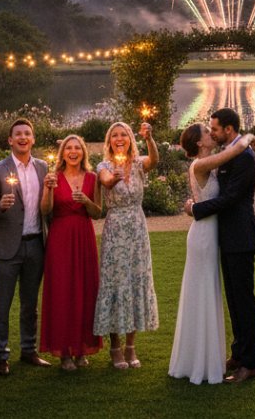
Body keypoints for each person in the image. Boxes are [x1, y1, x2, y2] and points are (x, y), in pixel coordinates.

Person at [169, 124, 255, 385]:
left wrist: (194, 206)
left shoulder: (205, 163)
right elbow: (238, 148)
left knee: (208, 292)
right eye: (209, 131)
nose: (213, 134)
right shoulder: (202, 164)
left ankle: (209, 355)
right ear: (199, 143)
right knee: (203, 292)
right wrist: (249, 137)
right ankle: (201, 358)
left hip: (212, 233)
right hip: (204, 235)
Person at [0, 118, 53, 375]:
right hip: (6, 247)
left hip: (36, 244)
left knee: (30, 303)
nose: (23, 137)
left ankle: (28, 350)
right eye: (18, 134)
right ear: (10, 140)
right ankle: (1, 355)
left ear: (33, 139)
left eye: (27, 134)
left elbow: (49, 206)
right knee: (2, 303)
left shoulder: (44, 168)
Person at [94, 121, 161, 369]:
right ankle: (114, 346)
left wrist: (149, 138)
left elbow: (154, 160)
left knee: (135, 280)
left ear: (131, 139)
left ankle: (131, 346)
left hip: (137, 228)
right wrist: (113, 179)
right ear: (109, 141)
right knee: (115, 283)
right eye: (115, 135)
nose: (119, 138)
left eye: (124, 134)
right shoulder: (104, 165)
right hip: (116, 229)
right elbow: (105, 181)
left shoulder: (137, 163)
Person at [40, 134, 103, 370]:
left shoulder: (92, 177)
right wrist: (47, 189)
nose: (73, 151)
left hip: (84, 237)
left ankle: (81, 349)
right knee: (62, 291)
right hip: (60, 238)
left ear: (83, 152)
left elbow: (97, 213)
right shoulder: (53, 178)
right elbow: (44, 209)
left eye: (77, 148)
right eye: (69, 148)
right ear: (63, 153)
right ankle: (64, 352)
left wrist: (86, 200)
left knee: (85, 290)